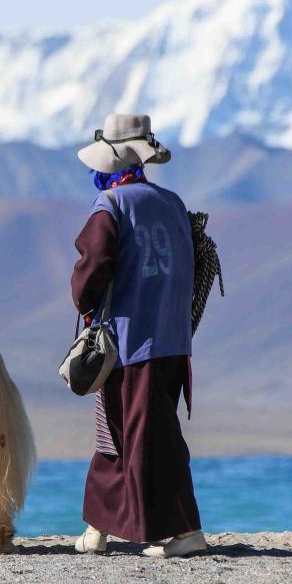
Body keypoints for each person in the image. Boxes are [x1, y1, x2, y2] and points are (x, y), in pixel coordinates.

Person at [71, 112, 205, 557]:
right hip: (173, 340)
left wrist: (83, 300)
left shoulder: (111, 207)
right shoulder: (172, 203)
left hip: (129, 343)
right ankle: (98, 528)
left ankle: (186, 533)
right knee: (132, 433)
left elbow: (92, 269)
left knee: (134, 435)